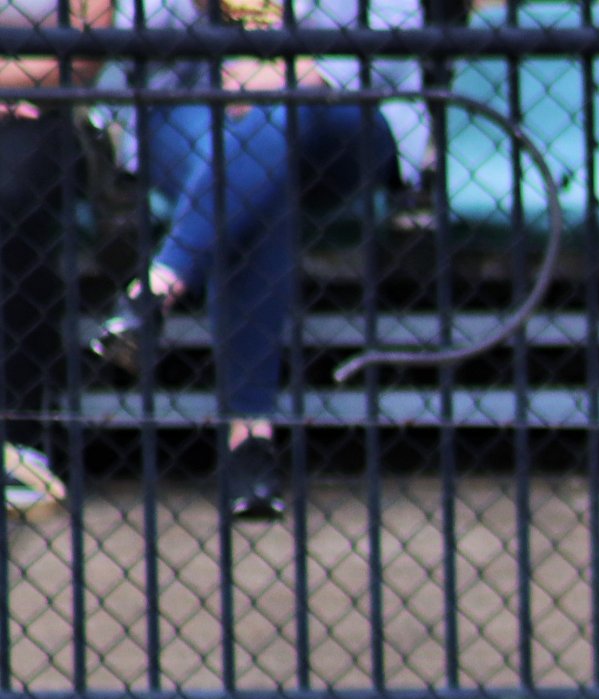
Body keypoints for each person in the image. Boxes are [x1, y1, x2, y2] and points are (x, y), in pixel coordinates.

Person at [92, 0, 432, 520]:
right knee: (258, 178)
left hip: (340, 111)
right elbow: (137, 43)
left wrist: (293, 73)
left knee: (272, 118)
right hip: (190, 107)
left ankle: (159, 287)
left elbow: (394, 40)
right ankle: (249, 439)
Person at [1, 0, 103, 518]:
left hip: (41, 114)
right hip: (23, 91)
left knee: (13, 202)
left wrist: (9, 82)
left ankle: (16, 438)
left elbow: (83, 57)